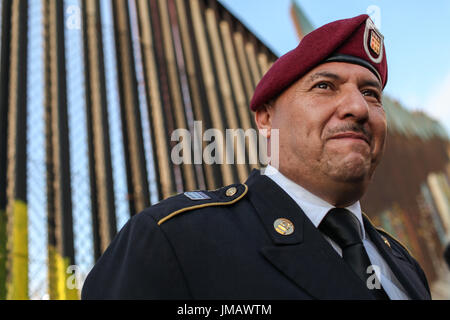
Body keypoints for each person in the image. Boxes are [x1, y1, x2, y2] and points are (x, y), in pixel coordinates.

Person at [81, 14, 431, 300]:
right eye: (325, 86)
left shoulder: (404, 265)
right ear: (265, 119)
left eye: (371, 93)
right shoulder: (176, 240)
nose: (358, 107)